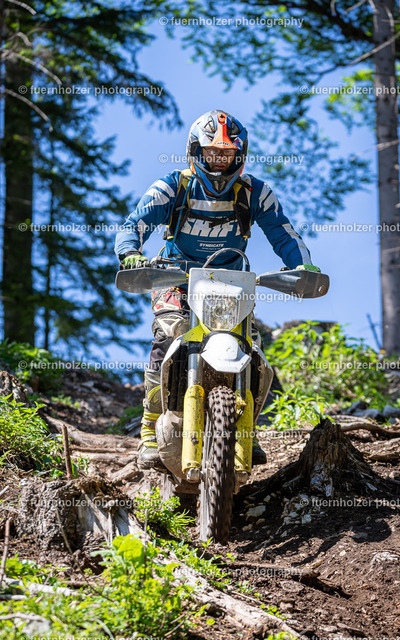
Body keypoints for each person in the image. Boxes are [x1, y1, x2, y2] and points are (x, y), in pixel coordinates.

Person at [115, 109, 320, 469]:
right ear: (196, 151)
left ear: (239, 155)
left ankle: (247, 429)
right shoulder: (173, 186)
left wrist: (301, 265)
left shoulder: (255, 192)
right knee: (168, 333)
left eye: (226, 153)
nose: (219, 160)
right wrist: (131, 253)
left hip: (230, 284)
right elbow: (135, 223)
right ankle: (149, 428)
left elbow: (283, 234)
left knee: (252, 348)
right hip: (176, 278)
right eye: (212, 152)